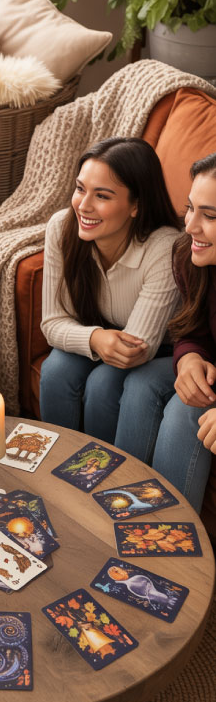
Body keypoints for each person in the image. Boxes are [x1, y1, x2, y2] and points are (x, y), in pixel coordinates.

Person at [39, 136, 182, 442]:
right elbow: (51, 323)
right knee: (55, 370)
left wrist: (99, 340)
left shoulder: (164, 246)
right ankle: (53, 469)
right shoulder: (60, 228)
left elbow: (137, 348)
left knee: (104, 383)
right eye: (80, 189)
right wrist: (95, 337)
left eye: (102, 196)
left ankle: (98, 479)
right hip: (102, 334)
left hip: (162, 350)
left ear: (135, 206)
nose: (83, 205)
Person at [115, 153, 216, 513]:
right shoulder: (190, 256)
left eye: (210, 215)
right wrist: (189, 356)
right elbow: (193, 329)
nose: (190, 226)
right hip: (211, 368)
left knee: (186, 411)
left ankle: (168, 542)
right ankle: (121, 508)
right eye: (190, 209)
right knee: (142, 382)